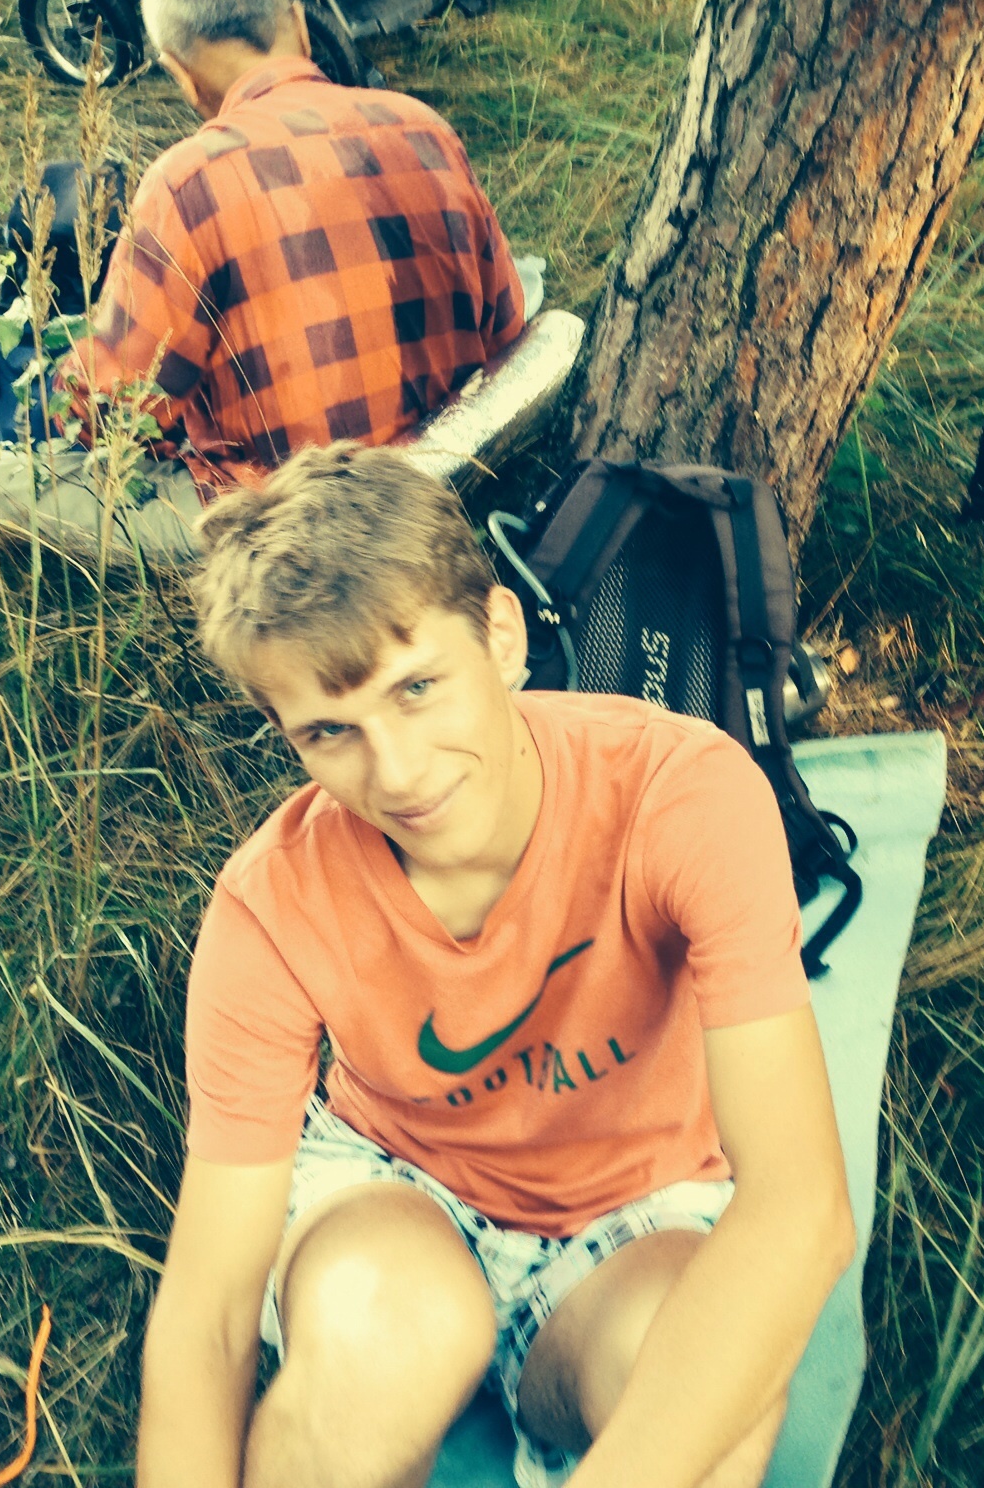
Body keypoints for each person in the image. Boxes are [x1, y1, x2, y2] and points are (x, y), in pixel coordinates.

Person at [146, 441, 854, 1488]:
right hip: (396, 1196)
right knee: (382, 1342)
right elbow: (208, 1313)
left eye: (417, 687)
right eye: (331, 732)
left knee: (711, 1384)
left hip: (637, 1213)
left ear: (502, 636)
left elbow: (800, 1209)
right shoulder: (271, 904)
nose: (397, 773)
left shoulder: (682, 796)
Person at [0, 0, 530, 563]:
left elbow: (111, 416)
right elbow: (505, 327)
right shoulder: (425, 126)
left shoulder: (189, 181)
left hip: (297, 522)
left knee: (11, 483)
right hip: (443, 481)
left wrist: (78, 374)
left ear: (178, 70)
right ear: (298, 23)